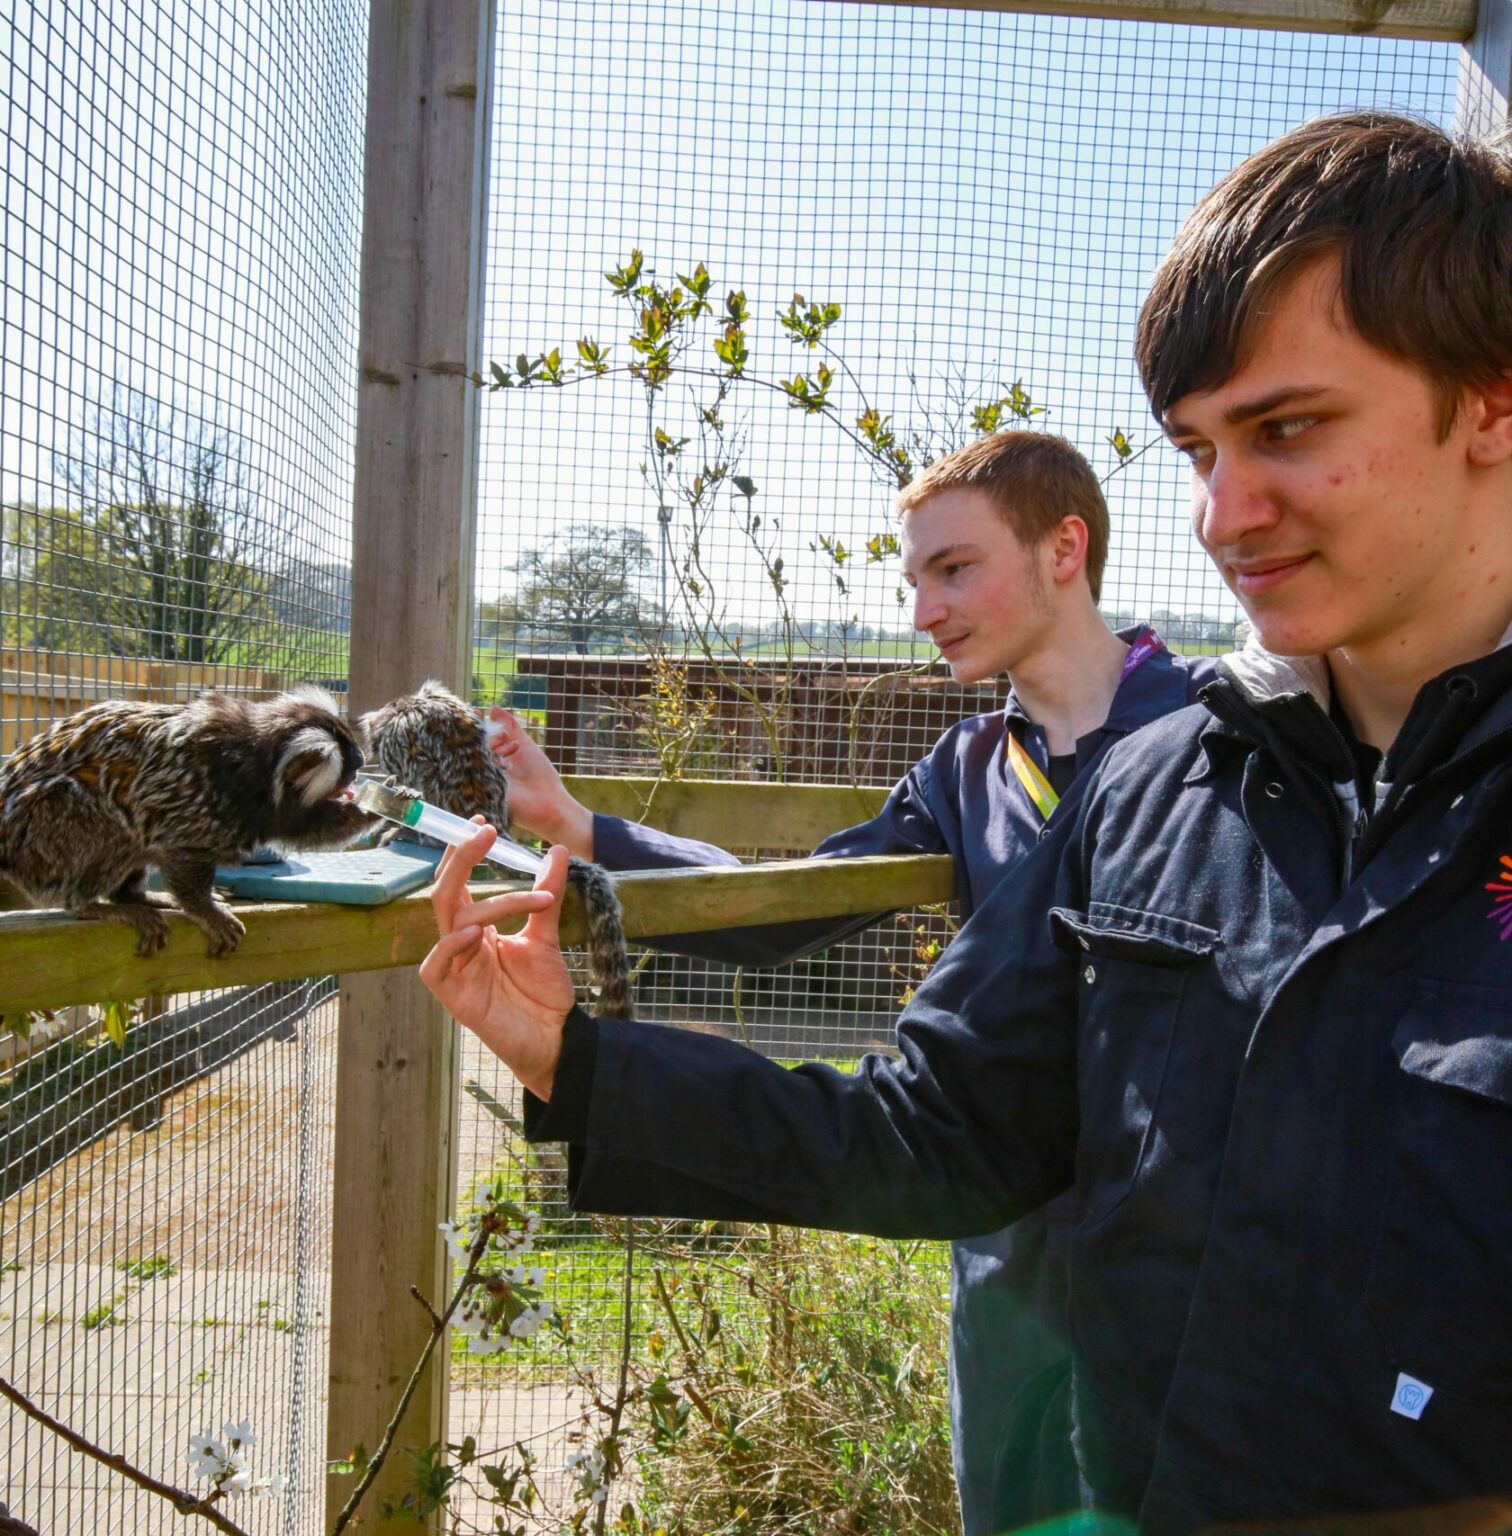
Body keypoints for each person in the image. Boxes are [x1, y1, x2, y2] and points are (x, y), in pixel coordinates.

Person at [421, 111, 1512, 1533]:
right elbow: (932, 1124)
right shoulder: (1152, 786)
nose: (1222, 515)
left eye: (1289, 429)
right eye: (1194, 450)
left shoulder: (1150, 728)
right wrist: (584, 1057)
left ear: (1490, 400)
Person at [488, 429, 1216, 1533]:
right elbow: (790, 910)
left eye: (954, 568)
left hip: (1187, 1241)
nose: (922, 609)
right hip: (1010, 1243)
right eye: (914, 577)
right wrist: (577, 826)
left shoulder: (1222, 736)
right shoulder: (965, 770)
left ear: (1065, 547)